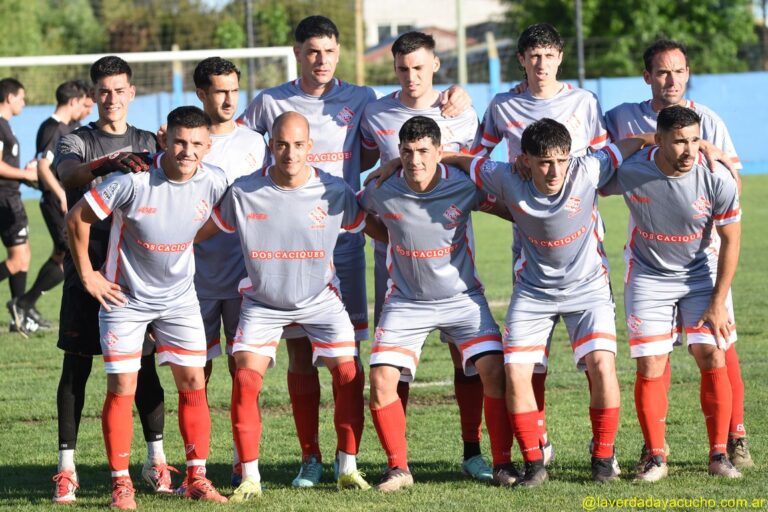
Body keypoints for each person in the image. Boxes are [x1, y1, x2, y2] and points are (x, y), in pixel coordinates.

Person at [237, 14, 471, 488]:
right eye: (311, 51)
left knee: (349, 359)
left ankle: (356, 459)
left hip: (344, 239)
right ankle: (310, 457)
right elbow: (236, 144)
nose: (320, 60)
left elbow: (381, 149)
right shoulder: (270, 102)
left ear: (339, 52)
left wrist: (457, 93)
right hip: (284, 243)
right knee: (301, 356)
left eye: (328, 51)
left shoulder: (363, 100)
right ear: (297, 53)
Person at [425, 119, 650, 485]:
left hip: (588, 288)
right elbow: (465, 162)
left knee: (602, 364)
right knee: (515, 372)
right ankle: (534, 464)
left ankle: (603, 459)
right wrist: (410, 162)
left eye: (561, 160)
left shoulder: (587, 168)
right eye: (544, 161)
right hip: (533, 291)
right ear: (525, 160)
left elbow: (629, 145)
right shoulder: (504, 176)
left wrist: (657, 138)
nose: (555, 170)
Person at [199, 111, 372, 501]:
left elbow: (371, 224)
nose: (289, 153)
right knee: (245, 379)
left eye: (297, 145)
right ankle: (251, 478)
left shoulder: (335, 190)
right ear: (270, 146)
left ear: (310, 147)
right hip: (263, 302)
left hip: (321, 300)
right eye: (280, 144)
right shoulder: (244, 192)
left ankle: (347, 467)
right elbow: (198, 232)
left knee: (349, 374)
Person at [66, 106, 230, 509]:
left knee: (194, 382)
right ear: (164, 141)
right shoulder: (133, 182)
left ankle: (196, 478)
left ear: (208, 147)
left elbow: (220, 220)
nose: (186, 151)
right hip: (126, 300)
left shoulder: (215, 181)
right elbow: (77, 218)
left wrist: (185, 240)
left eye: (195, 144)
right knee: (123, 386)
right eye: (178, 142)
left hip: (179, 300)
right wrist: (89, 276)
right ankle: (121, 485)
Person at [605, 39, 752, 468]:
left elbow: (731, 191)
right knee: (654, 355)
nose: (672, 80)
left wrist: (711, 153)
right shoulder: (619, 118)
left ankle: (733, 437)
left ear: (689, 73)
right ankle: (655, 449)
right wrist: (655, 142)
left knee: (719, 345)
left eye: (680, 71)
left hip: (702, 258)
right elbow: (593, 160)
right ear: (647, 75)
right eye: (663, 72)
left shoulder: (708, 120)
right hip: (651, 253)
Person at [469, 22, 609, 465]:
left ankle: (603, 449)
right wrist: (510, 199)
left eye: (549, 55)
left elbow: (605, 162)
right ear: (522, 61)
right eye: (534, 56)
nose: (542, 64)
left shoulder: (584, 102)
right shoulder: (503, 105)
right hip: (528, 239)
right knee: (532, 360)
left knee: (596, 357)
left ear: (560, 58)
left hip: (581, 240)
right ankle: (539, 444)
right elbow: (477, 154)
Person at [360, 31, 495, 482]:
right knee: (393, 370)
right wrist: (389, 225)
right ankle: (398, 463)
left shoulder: (461, 111)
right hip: (397, 259)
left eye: (420, 67)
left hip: (451, 253)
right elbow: (362, 172)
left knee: (468, 359)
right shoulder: (376, 112)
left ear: (436, 65)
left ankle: (473, 451)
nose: (411, 76)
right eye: (402, 68)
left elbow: (475, 166)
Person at [51, 56, 168, 505]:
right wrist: (109, 163)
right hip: (89, 267)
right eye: (104, 91)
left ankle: (155, 459)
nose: (112, 98)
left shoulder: (147, 139)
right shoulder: (76, 140)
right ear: (93, 96)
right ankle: (67, 469)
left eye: (120, 90)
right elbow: (68, 177)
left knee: (141, 367)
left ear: (132, 92)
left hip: (136, 273)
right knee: (76, 366)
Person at [192, 56, 267, 483]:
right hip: (195, 280)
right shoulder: (185, 143)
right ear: (201, 94)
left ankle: (244, 462)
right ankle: (197, 465)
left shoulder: (255, 143)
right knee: (195, 375)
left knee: (245, 371)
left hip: (244, 279)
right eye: (219, 91)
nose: (227, 98)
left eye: (233, 90)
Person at [8, 81, 90, 332]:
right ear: (74, 101)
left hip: (61, 200)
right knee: (70, 256)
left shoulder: (66, 128)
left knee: (63, 255)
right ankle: (23, 303)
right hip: (56, 202)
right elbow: (43, 165)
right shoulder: (53, 128)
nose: (88, 111)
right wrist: (61, 194)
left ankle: (24, 304)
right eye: (86, 104)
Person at [0, 77, 38, 336]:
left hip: (10, 196)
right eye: (21, 97)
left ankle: (18, 316)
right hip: (5, 198)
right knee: (17, 260)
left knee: (24, 257)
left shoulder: (6, 127)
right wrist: (25, 175)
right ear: (10, 97)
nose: (23, 102)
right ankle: (19, 310)